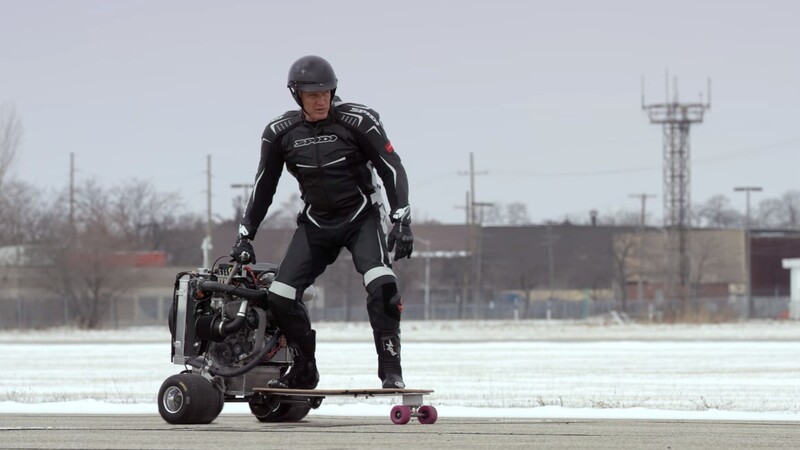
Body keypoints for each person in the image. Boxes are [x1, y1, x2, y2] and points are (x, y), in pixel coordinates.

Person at [229, 55, 413, 390]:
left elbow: (392, 167)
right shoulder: (280, 132)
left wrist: (401, 218)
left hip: (361, 216)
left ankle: (391, 370)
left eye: (326, 93)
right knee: (280, 296)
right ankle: (304, 370)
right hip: (316, 222)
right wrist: (245, 235)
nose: (321, 100)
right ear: (296, 95)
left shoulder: (359, 120)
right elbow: (263, 186)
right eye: (312, 94)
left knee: (383, 285)